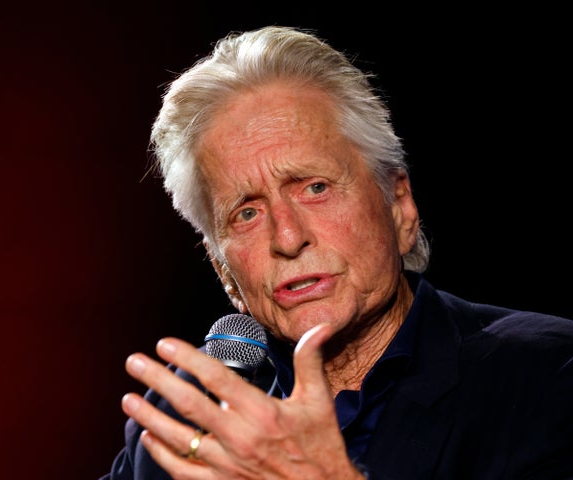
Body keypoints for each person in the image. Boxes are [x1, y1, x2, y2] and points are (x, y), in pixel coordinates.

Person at [100, 25, 573, 479]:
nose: (287, 238)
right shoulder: (180, 415)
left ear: (400, 208)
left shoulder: (547, 375)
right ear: (224, 271)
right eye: (246, 213)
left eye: (315, 187)